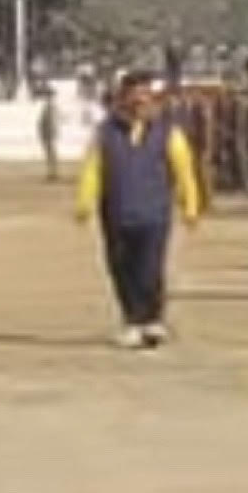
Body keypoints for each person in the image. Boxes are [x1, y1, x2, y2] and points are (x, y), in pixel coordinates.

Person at [74, 70, 203, 350]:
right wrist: (85, 202)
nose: (140, 104)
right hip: (116, 212)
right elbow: (93, 170)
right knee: (121, 268)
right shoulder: (106, 134)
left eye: (145, 98)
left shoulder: (168, 133)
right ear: (123, 99)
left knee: (150, 268)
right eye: (134, 97)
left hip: (154, 213)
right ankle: (132, 321)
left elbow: (184, 171)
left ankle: (152, 319)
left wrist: (190, 204)